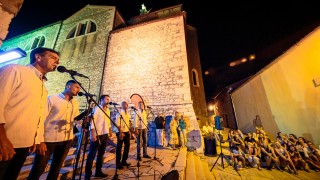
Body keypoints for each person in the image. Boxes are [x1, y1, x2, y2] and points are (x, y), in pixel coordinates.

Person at [0, 47, 60, 180]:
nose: (58, 62)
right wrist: (2, 139)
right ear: (38, 57)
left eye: (58, 60)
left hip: (23, 146)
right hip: (5, 142)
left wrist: (37, 139)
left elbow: (39, 115)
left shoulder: (43, 87)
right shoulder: (15, 70)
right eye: (53, 58)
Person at [27, 80, 80, 179]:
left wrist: (83, 121)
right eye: (77, 87)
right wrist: (40, 140)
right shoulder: (52, 99)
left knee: (56, 168)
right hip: (48, 140)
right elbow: (41, 119)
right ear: (68, 86)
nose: (79, 90)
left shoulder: (75, 103)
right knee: (39, 169)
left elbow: (75, 119)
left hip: (66, 140)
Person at [85, 95, 113, 179]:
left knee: (101, 154)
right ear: (101, 100)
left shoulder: (107, 109)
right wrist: (92, 133)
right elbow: (92, 121)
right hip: (97, 134)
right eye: (107, 99)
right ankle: (88, 174)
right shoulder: (97, 108)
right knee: (92, 154)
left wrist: (110, 130)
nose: (108, 101)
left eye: (109, 99)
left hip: (104, 134)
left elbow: (108, 121)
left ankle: (98, 171)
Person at [115, 101, 131, 169]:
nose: (126, 105)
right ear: (122, 105)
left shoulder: (127, 113)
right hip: (120, 132)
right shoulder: (119, 113)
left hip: (127, 131)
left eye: (127, 104)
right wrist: (120, 132)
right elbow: (117, 124)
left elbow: (128, 122)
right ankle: (118, 163)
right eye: (125, 104)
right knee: (119, 148)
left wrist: (129, 130)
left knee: (127, 146)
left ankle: (124, 161)